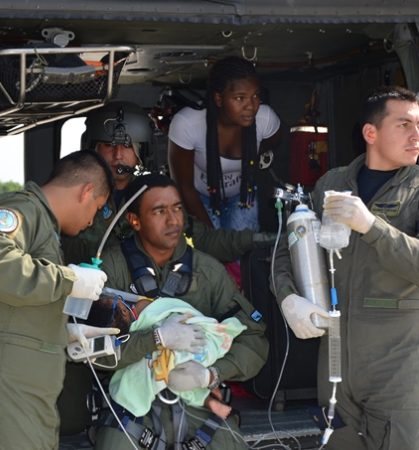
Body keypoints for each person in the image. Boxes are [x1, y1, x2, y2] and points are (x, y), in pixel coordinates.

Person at [272, 86, 419, 450]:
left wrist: (373, 227)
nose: (416, 135)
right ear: (370, 133)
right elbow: (287, 251)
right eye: (404, 124)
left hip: (397, 372)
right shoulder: (332, 185)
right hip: (334, 371)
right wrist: (287, 297)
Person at [0, 150, 118, 450]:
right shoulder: (19, 211)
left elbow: (13, 311)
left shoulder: (44, 229)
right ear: (86, 191)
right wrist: (69, 280)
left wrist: (61, 334)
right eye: (98, 208)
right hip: (4, 397)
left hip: (23, 400)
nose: (92, 222)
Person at [92, 173, 269, 450]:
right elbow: (92, 353)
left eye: (177, 208)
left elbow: (254, 340)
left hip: (197, 401)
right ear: (134, 220)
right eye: (159, 211)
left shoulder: (208, 270)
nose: (173, 220)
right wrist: (156, 338)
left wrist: (210, 374)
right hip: (131, 406)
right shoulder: (109, 271)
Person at [62, 100, 276, 267]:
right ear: (93, 148)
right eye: (109, 145)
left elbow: (208, 240)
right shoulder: (75, 195)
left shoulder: (156, 193)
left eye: (128, 146)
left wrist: (268, 240)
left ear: (143, 152)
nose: (118, 155)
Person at [168, 56, 282, 232]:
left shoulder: (265, 118)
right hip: (199, 197)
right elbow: (184, 187)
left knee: (243, 252)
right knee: (210, 254)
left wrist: (254, 151)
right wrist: (212, 238)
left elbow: (271, 143)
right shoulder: (188, 123)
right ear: (219, 99)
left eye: (255, 96)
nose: (250, 106)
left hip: (242, 195)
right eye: (239, 98)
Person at [83, 294, 241, 419]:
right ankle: (207, 386)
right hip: (194, 346)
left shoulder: (124, 339)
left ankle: (208, 398)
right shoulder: (140, 308)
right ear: (124, 311)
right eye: (117, 300)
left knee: (174, 379)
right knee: (179, 377)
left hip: (175, 353)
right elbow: (162, 306)